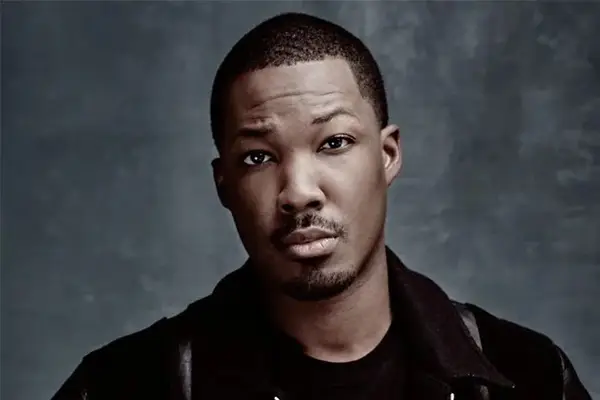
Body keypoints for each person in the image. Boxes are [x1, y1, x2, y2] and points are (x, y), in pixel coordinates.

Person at [52, 12, 592, 400]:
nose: (298, 191)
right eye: (258, 157)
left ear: (387, 155)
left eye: (334, 143)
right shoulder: (122, 386)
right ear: (224, 185)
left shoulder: (530, 375)